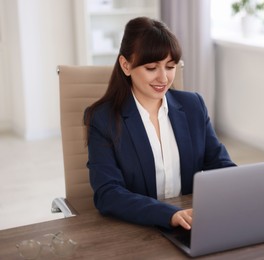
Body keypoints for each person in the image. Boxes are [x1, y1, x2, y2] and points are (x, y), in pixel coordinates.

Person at [84, 17, 236, 231]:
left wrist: (242, 188)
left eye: (170, 66)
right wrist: (169, 215)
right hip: (135, 230)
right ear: (126, 65)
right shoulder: (103, 119)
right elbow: (107, 194)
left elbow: (220, 165)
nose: (163, 78)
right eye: (151, 67)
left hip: (190, 225)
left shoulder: (193, 106)